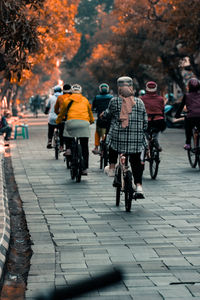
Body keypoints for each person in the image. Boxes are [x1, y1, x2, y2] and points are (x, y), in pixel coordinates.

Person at [102, 76, 148, 196]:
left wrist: (103, 115)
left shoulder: (114, 101)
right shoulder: (140, 102)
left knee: (111, 140)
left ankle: (112, 167)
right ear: (131, 87)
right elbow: (145, 123)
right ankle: (139, 187)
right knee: (136, 161)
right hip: (136, 140)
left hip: (118, 139)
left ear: (119, 88)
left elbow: (107, 114)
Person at [56, 84, 94, 175]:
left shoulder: (67, 100)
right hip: (84, 123)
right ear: (80, 91)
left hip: (71, 122)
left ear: (71, 92)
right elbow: (90, 113)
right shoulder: (85, 100)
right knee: (84, 146)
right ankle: (84, 168)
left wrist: (58, 121)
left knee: (66, 132)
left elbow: (62, 113)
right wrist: (91, 121)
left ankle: (68, 149)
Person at [175, 77, 200, 150]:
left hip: (191, 117)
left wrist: (177, 115)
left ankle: (188, 143)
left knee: (188, 129)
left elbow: (181, 106)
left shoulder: (187, 95)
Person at [141, 81, 166, 151]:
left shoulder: (142, 99)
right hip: (158, 120)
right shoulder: (160, 99)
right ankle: (155, 140)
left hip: (146, 121)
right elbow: (162, 110)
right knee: (156, 131)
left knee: (145, 132)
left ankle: (147, 141)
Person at [92, 83, 113, 154]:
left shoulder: (96, 97)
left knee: (97, 132)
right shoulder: (111, 97)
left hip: (100, 120)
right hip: (110, 120)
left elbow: (93, 107)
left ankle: (96, 147)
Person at [54, 84, 72, 151]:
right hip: (72, 118)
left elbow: (56, 109)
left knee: (61, 131)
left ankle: (61, 146)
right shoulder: (73, 97)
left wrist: (58, 113)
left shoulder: (60, 97)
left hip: (63, 118)